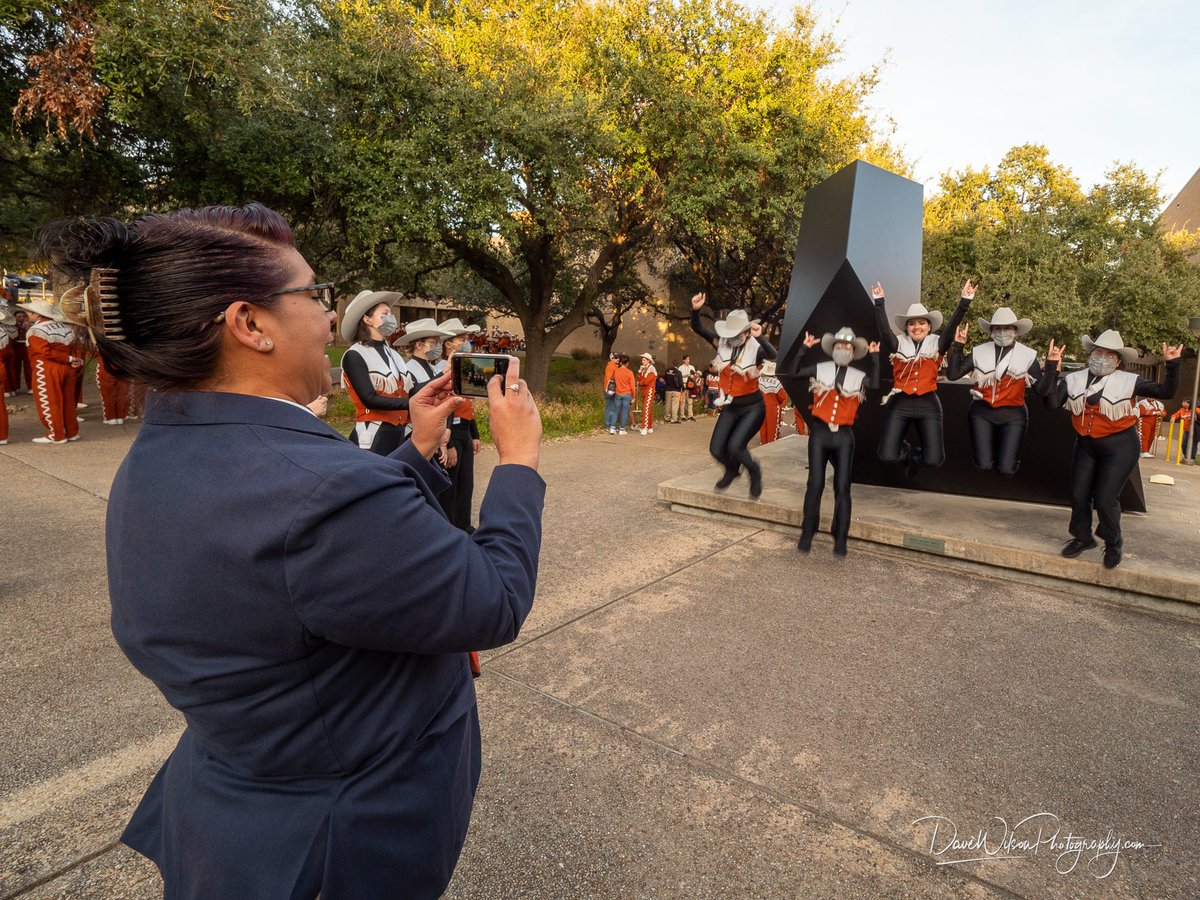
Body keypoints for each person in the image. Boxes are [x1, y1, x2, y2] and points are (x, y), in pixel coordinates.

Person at [44, 203, 545, 898]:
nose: (328, 318)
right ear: (250, 324)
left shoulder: (168, 447)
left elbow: (304, 546)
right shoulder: (320, 490)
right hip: (337, 841)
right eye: (314, 295)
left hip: (238, 812)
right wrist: (519, 462)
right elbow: (494, 599)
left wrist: (417, 449)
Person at [1040, 330, 1181, 568]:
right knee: (1078, 494)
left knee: (1106, 499)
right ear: (1090, 355)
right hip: (1086, 443)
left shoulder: (1130, 381)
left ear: (1118, 361)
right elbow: (1051, 403)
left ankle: (1113, 542)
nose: (1102, 358)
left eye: (1109, 355)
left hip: (1120, 446)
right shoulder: (1073, 379)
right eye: (1098, 353)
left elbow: (1166, 392)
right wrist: (1052, 368)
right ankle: (1083, 537)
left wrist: (1173, 365)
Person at [791, 328, 881, 555]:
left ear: (853, 351)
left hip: (843, 436)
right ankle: (807, 532)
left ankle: (840, 536)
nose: (843, 349)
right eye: (839, 345)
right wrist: (803, 348)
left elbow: (875, 384)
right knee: (815, 483)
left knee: (842, 486)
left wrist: (875, 357)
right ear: (833, 349)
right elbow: (794, 372)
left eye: (847, 346)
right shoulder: (820, 368)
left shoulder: (858, 375)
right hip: (820, 434)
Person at [873, 280, 975, 473]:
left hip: (928, 404)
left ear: (929, 326)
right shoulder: (898, 344)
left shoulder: (937, 343)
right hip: (900, 402)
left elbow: (951, 327)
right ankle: (906, 452)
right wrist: (879, 301)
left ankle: (915, 456)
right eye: (912, 324)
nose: (916, 327)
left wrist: (964, 301)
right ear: (906, 327)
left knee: (934, 460)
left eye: (921, 323)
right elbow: (884, 331)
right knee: (887, 455)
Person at [690, 292, 777, 497]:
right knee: (716, 449)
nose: (732, 337)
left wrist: (761, 337)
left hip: (753, 407)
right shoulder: (722, 343)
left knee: (736, 447)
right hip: (731, 406)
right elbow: (699, 328)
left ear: (746, 332)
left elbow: (773, 355)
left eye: (737, 333)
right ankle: (732, 470)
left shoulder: (756, 348)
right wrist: (695, 310)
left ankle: (754, 472)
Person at [946, 306, 1041, 476]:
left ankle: (1005, 456)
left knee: (1006, 469)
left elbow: (1041, 389)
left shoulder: (1028, 355)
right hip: (981, 412)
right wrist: (958, 346)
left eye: (1007, 328)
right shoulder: (979, 351)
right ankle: (990, 453)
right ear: (991, 331)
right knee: (983, 465)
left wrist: (1052, 367)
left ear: (1015, 331)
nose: (1002, 332)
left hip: (1013, 415)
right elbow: (953, 375)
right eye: (997, 328)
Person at [339, 289, 413, 455]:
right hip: (374, 434)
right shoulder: (355, 354)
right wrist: (412, 403)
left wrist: (442, 377)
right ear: (367, 320)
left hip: (400, 433)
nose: (391, 318)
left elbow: (409, 390)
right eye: (385, 314)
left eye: (391, 314)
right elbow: (369, 399)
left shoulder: (393, 354)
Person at [438, 318, 484, 532]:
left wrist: (475, 434)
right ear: (448, 344)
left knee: (466, 484)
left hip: (464, 430)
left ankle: (464, 526)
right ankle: (450, 528)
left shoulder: (465, 366)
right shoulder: (441, 370)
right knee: (452, 485)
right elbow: (444, 407)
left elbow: (469, 403)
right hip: (451, 433)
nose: (467, 343)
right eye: (462, 339)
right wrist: (448, 445)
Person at [24, 297, 82, 444]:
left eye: (30, 312)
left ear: (37, 315)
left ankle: (56, 435)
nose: (28, 314)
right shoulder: (64, 327)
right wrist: (72, 359)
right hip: (67, 368)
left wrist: (69, 358)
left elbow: (45, 352)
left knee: (50, 401)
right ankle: (72, 432)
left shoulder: (36, 330)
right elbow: (75, 346)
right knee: (68, 401)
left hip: (46, 368)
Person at [757, 360, 789, 445]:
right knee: (772, 427)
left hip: (761, 406)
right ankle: (771, 446)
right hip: (772, 407)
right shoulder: (777, 382)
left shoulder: (759, 380)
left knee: (763, 427)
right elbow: (782, 397)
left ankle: (763, 444)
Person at [611, 354, 635, 434]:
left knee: (616, 410)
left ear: (620, 362)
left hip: (618, 393)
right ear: (627, 363)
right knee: (624, 411)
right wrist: (633, 396)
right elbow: (632, 386)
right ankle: (622, 429)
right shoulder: (630, 372)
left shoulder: (616, 371)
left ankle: (612, 428)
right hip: (627, 394)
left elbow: (613, 381)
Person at [637, 352, 657, 435]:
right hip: (645, 390)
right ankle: (649, 427)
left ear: (648, 361)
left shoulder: (651, 369)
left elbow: (645, 381)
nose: (642, 361)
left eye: (644, 360)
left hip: (649, 390)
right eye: (642, 360)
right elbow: (639, 379)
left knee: (646, 408)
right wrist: (640, 371)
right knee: (649, 408)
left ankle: (644, 427)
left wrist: (641, 382)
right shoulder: (644, 369)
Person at [602, 352, 619, 432]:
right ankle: (608, 426)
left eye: (618, 357)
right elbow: (609, 379)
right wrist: (610, 391)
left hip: (612, 390)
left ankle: (612, 425)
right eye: (616, 358)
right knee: (610, 408)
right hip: (610, 390)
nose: (618, 359)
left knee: (612, 408)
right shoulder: (611, 367)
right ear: (611, 358)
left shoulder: (614, 366)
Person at [678, 355, 698, 421]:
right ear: (683, 360)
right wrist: (686, 375)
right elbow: (678, 376)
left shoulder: (692, 367)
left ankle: (690, 415)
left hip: (690, 386)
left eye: (688, 359)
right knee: (682, 401)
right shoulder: (680, 368)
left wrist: (694, 376)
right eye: (686, 359)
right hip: (683, 385)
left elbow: (694, 376)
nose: (688, 360)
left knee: (690, 401)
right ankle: (682, 416)